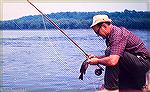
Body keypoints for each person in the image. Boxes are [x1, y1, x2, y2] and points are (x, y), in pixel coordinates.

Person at [87, 15, 150, 91]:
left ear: (104, 26)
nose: (98, 35)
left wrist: (97, 61)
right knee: (110, 52)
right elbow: (113, 55)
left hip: (143, 62)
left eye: (97, 32)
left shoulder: (117, 35)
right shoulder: (110, 36)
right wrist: (97, 57)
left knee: (109, 52)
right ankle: (140, 82)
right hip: (135, 62)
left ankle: (110, 89)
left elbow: (113, 61)